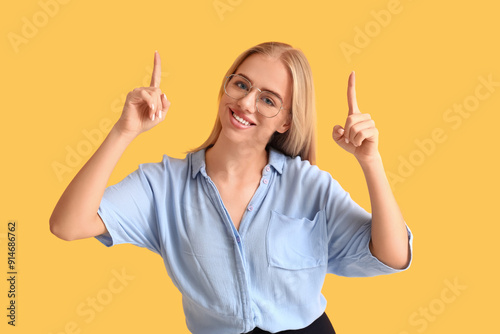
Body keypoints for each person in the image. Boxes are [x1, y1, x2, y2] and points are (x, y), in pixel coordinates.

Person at [50, 42, 413, 334]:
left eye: (268, 99)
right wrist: (124, 131)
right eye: (241, 84)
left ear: (286, 120)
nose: (245, 102)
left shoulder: (309, 185)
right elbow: (68, 225)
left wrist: (370, 162)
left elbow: (394, 255)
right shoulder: (163, 186)